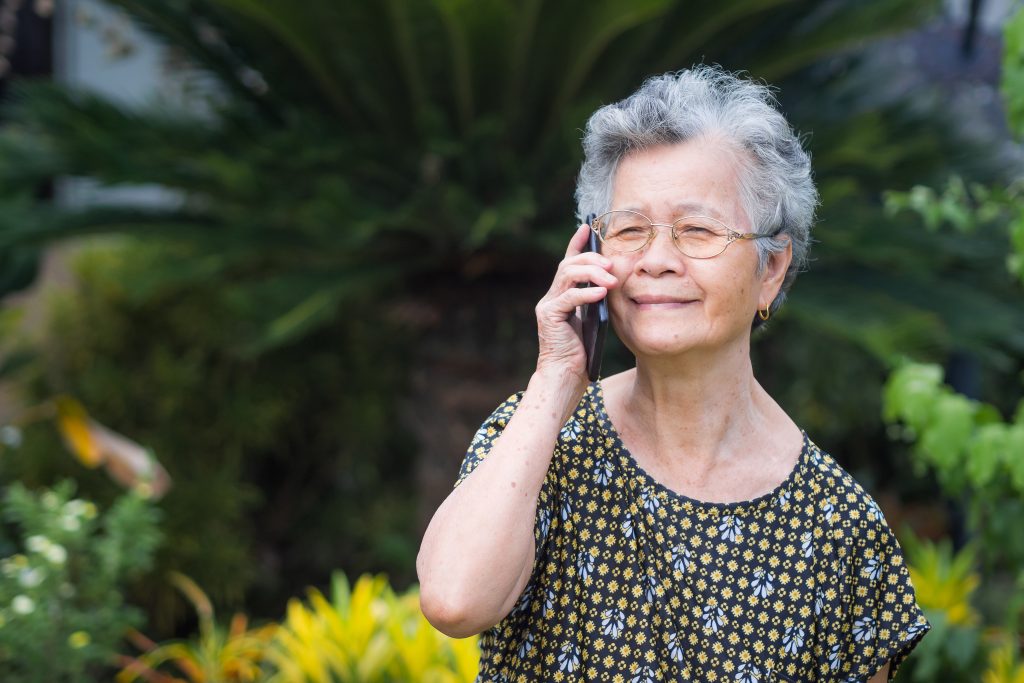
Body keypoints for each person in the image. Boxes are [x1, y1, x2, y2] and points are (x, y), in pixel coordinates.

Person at [417, 65, 930, 682]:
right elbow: (453, 602)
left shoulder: (838, 526)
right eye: (630, 230)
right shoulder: (538, 441)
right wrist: (556, 376)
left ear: (771, 269)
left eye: (697, 230)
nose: (657, 260)